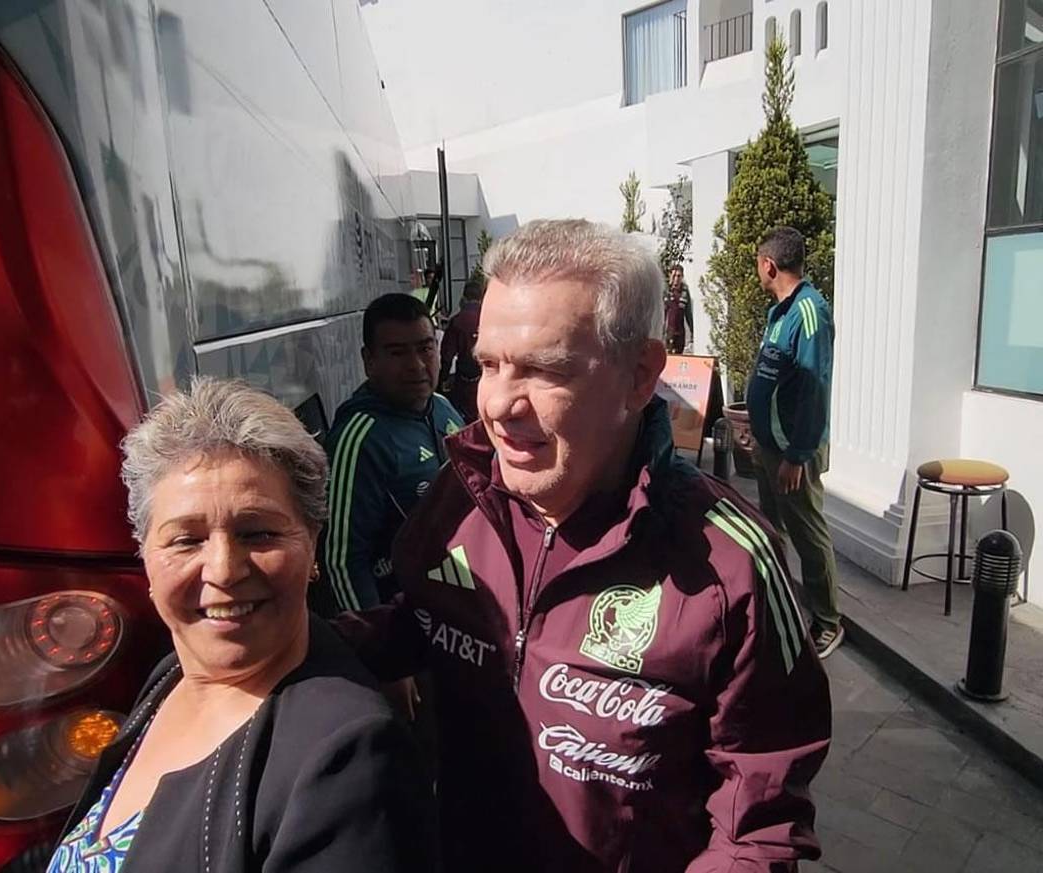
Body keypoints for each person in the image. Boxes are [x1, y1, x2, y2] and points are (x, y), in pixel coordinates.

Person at [336, 219, 831, 873]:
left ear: (639, 374)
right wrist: (290, 640)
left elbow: (759, 829)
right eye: (488, 364)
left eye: (544, 369)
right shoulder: (461, 490)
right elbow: (426, 618)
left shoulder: (730, 565)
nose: (498, 405)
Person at [47, 379, 436, 873]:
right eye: (186, 540)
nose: (224, 570)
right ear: (144, 556)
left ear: (312, 544)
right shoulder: (173, 676)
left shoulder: (349, 757)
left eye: (258, 533)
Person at [321, 293, 463, 612]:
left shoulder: (444, 409)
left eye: (425, 348)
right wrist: (372, 633)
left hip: (455, 607)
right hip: (405, 618)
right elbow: (341, 562)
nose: (416, 365)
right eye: (397, 353)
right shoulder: (360, 439)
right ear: (369, 361)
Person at [748, 226, 844, 658]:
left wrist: (798, 454)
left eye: (757, 264)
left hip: (792, 452)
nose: (757, 271)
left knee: (807, 532)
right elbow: (772, 376)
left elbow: (813, 388)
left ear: (769, 264)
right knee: (774, 530)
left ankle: (827, 621)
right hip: (771, 447)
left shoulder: (809, 313)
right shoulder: (780, 312)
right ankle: (781, 605)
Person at [438, 279, 485, 422]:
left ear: (464, 298)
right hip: (486, 377)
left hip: (465, 380)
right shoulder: (488, 319)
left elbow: (447, 355)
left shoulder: (457, 321)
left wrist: (442, 379)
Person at [663, 263, 694, 354]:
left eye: (679, 276)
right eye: (674, 276)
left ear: (682, 277)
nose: (676, 279)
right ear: (670, 276)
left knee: (678, 356)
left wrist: (692, 331)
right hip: (668, 332)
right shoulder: (666, 291)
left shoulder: (685, 292)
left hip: (680, 333)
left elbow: (688, 314)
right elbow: (662, 313)